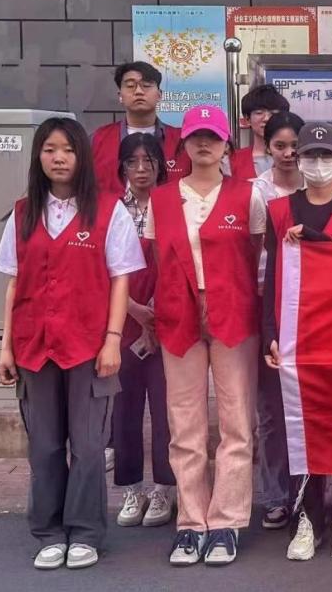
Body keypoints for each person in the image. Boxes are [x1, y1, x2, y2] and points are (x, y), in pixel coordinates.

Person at [0, 117, 144, 570]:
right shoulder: (23, 213)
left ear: (83, 157)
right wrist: (6, 347)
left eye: (68, 150)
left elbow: (120, 279)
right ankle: (48, 532)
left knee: (88, 445)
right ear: (38, 157)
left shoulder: (109, 210)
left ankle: (85, 532)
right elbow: (14, 284)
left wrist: (113, 340)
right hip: (34, 346)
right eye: (49, 150)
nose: (59, 158)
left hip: (88, 346)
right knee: (43, 446)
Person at [144, 104, 267, 566]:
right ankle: (191, 522)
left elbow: (254, 253)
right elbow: (157, 258)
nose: (203, 143)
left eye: (212, 136)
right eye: (195, 135)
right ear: (184, 143)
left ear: (225, 144)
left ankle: (227, 521)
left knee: (236, 422)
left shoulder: (247, 195)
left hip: (234, 316)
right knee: (184, 425)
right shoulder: (161, 199)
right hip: (177, 317)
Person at [261, 121, 332, 563]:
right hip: (297, 337)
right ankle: (306, 517)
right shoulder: (279, 211)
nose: (318, 163)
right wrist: (271, 335)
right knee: (302, 428)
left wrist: (317, 241)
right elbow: (271, 279)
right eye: (310, 155)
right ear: (297, 159)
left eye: (326, 156)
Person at [112, 133, 176, 530]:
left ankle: (164, 488)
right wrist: (135, 311)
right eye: (132, 161)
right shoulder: (110, 209)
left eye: (148, 161)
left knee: (167, 410)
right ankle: (131, 488)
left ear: (160, 166)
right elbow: (102, 270)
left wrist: (156, 314)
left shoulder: (171, 205)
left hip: (166, 319)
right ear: (121, 167)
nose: (140, 169)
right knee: (125, 411)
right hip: (121, 321)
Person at [250, 112, 305, 532]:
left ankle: (307, 496)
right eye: (280, 146)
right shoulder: (255, 193)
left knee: (307, 408)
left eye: (294, 146)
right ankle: (274, 496)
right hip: (265, 306)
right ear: (267, 147)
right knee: (270, 412)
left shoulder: (319, 187)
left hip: (308, 311)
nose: (288, 154)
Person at [91, 61, 190, 194]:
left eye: (146, 85)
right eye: (130, 86)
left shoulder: (183, 141)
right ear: (120, 96)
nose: (138, 91)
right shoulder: (98, 139)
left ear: (159, 95)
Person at [229, 83, 291, 181]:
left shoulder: (294, 158)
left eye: (273, 113)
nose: (266, 118)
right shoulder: (232, 160)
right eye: (259, 113)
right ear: (247, 119)